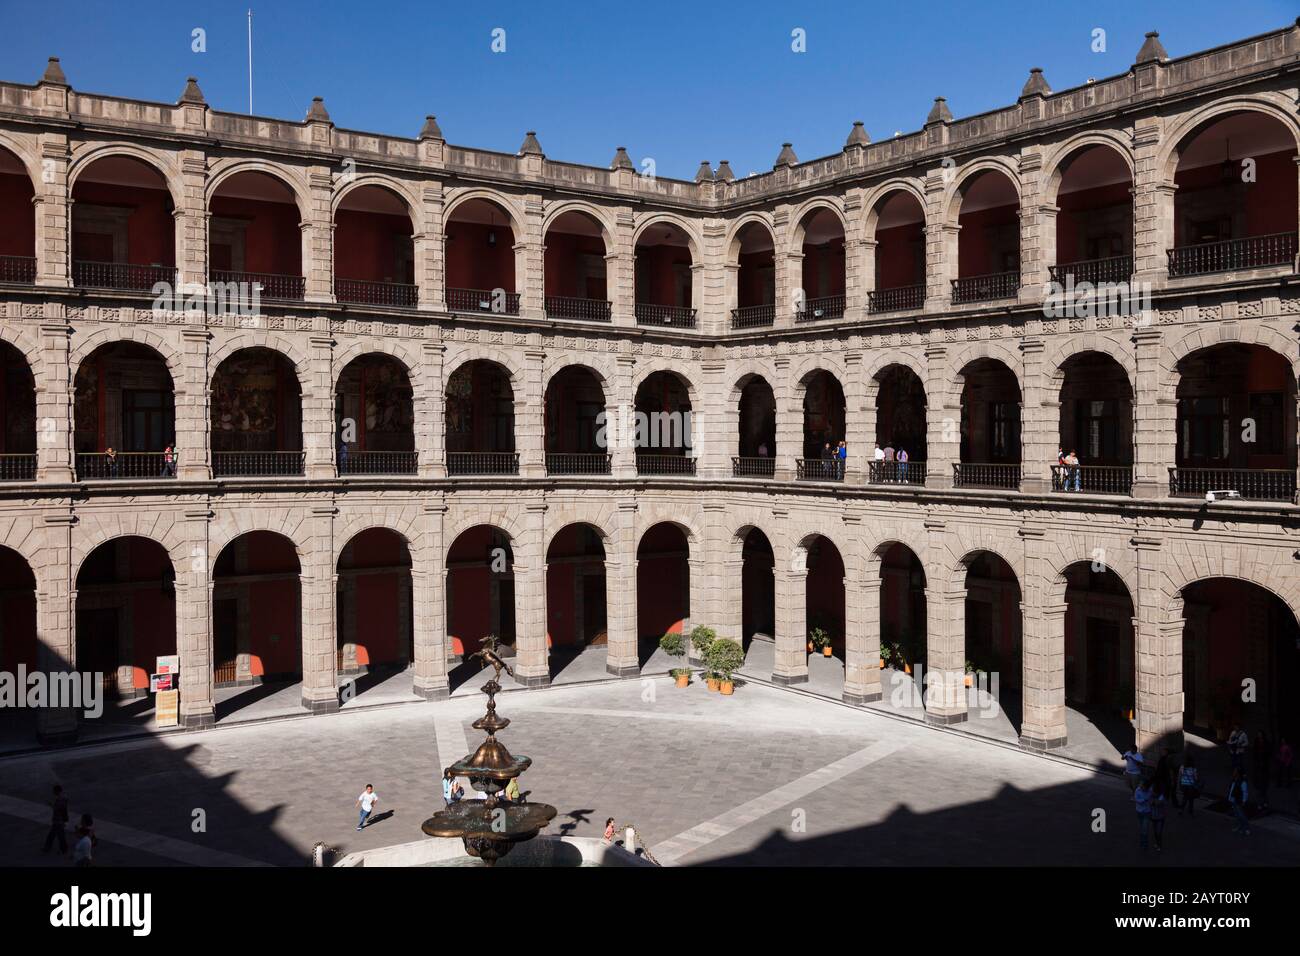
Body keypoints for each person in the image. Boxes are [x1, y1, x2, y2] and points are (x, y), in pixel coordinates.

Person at [42, 784, 69, 855]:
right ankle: (49, 847)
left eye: (54, 791)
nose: (53, 793)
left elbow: (57, 809)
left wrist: (51, 805)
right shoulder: (63, 798)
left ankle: (62, 849)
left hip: (58, 820)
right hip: (59, 820)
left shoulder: (60, 799)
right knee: (54, 834)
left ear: (57, 791)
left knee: (59, 835)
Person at [1227, 767, 1250, 835]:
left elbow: (1245, 792)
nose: (1233, 772)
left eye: (1235, 771)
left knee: (1241, 815)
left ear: (1238, 773)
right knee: (1237, 815)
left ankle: (1246, 828)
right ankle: (1240, 826)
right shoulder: (1235, 780)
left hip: (1238, 800)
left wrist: (1244, 801)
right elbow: (1232, 789)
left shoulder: (1242, 782)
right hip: (1234, 799)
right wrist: (1230, 798)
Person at [1252, 730, 1272, 810]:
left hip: (1263, 772)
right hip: (1259, 772)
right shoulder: (1256, 742)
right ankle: (1261, 804)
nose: (1259, 736)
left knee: (1263, 790)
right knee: (1260, 791)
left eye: (1260, 735)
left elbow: (1268, 752)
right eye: (1258, 735)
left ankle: (1264, 803)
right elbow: (1255, 751)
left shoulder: (1266, 743)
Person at [1149, 777, 1169, 851]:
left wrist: (1153, 801)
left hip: (1160, 817)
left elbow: (1155, 803)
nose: (1152, 792)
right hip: (1155, 816)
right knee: (1156, 831)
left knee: (1158, 832)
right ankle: (1157, 843)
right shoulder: (1156, 795)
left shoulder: (1161, 798)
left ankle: (1159, 844)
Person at [1134, 777, 1153, 850]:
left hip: (1147, 812)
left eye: (1143, 786)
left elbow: (1151, 799)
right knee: (1142, 828)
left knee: (1145, 829)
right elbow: (1137, 800)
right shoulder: (1138, 790)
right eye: (1141, 785)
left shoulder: (1150, 790)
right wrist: (1145, 800)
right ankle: (1142, 841)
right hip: (1139, 811)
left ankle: (1144, 843)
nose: (1141, 786)